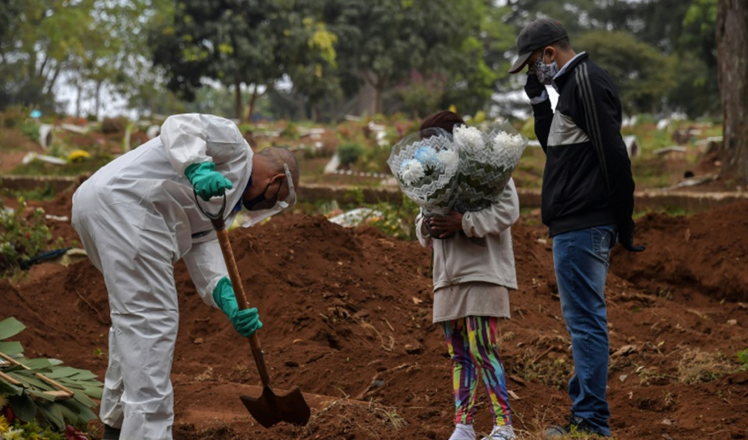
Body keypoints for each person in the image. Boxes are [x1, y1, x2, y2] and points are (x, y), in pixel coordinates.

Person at [71, 113, 299, 440]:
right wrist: (197, 166)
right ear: (274, 182)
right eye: (273, 200)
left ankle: (116, 425)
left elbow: (203, 249)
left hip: (100, 205)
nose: (262, 207)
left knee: (133, 323)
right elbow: (179, 125)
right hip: (128, 208)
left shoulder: (223, 203)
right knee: (151, 324)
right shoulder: (234, 145)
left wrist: (228, 298)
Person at [508, 19, 645, 438]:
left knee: (586, 322)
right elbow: (559, 148)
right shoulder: (569, 87)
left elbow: (614, 155)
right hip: (577, 222)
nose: (534, 73)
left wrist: (624, 222)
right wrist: (538, 103)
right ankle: (585, 409)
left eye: (533, 65)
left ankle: (591, 422)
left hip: (584, 223)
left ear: (550, 53)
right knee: (583, 321)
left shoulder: (584, 80)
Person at [415, 111, 520, 440]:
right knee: (458, 354)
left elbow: (508, 209)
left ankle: (504, 427)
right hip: (447, 278)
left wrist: (464, 223)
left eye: (434, 142)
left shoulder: (488, 168)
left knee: (482, 349)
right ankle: (464, 426)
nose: (429, 150)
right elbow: (421, 222)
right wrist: (428, 226)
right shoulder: (432, 175)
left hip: (482, 273)